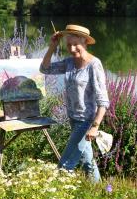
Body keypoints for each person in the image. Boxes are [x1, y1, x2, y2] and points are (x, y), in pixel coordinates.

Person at [40, 24, 109, 183]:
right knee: (87, 161)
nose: (72, 48)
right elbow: (45, 69)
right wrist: (52, 46)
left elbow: (103, 100)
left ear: (85, 42)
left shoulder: (94, 64)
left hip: (86, 121)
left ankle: (56, 195)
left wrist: (95, 126)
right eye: (68, 45)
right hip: (73, 117)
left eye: (75, 44)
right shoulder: (69, 62)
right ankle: (99, 191)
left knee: (65, 164)